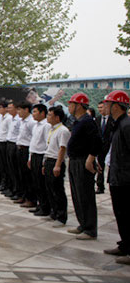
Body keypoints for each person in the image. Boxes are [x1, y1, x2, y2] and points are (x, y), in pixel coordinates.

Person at [66, 92, 102, 240]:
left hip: (83, 161)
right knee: (77, 194)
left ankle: (90, 229)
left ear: (79, 105)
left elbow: (97, 142)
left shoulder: (87, 121)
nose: (69, 107)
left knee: (85, 195)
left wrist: (91, 159)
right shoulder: (78, 121)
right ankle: (83, 223)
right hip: (74, 160)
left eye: (71, 104)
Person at [102, 91, 130, 265]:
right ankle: (124, 245)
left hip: (125, 179)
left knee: (127, 214)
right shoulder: (117, 124)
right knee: (120, 213)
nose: (105, 106)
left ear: (116, 106)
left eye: (108, 103)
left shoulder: (127, 125)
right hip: (116, 176)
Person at [43, 106, 71, 228]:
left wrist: (58, 165)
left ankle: (61, 216)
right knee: (49, 188)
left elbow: (62, 149)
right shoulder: (51, 129)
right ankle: (53, 212)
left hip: (56, 161)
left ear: (57, 117)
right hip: (49, 160)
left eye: (50, 115)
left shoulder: (63, 130)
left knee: (57, 189)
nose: (48, 117)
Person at [28, 104, 51, 217]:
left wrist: (44, 161)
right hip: (34, 155)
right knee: (35, 182)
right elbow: (33, 142)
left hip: (41, 155)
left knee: (41, 183)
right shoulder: (36, 125)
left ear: (42, 113)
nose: (33, 114)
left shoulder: (46, 125)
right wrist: (30, 157)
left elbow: (47, 143)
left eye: (35, 112)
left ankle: (45, 207)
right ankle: (39, 204)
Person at [16, 102, 36, 208]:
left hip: (27, 150)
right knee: (21, 174)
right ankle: (23, 195)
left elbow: (33, 138)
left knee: (28, 176)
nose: (18, 112)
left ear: (26, 110)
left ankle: (31, 199)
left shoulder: (31, 122)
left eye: (19, 109)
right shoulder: (22, 121)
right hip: (20, 148)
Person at [95, 102, 112, 194]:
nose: (100, 109)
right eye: (98, 107)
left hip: (110, 147)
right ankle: (100, 186)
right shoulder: (97, 119)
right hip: (100, 147)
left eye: (101, 107)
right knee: (100, 166)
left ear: (106, 107)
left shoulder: (112, 119)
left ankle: (111, 184)